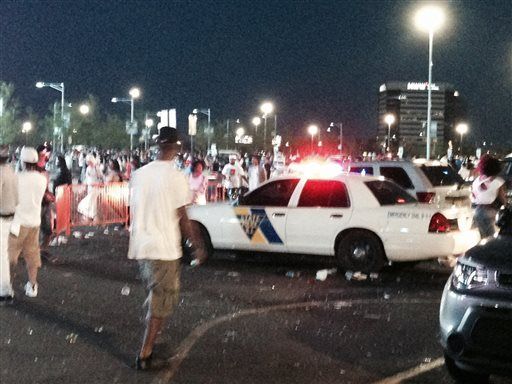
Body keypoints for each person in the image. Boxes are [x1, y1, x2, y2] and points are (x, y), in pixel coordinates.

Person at [127, 127, 207, 370]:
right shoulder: (176, 177)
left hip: (143, 245)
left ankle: (150, 338)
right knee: (163, 300)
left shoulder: (139, 174)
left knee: (157, 296)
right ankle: (146, 354)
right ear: (176, 146)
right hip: (163, 248)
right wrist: (198, 246)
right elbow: (183, 216)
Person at [8, 147, 47, 298]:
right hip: (34, 223)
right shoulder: (42, 179)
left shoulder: (17, 178)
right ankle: (32, 286)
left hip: (17, 223)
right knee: (32, 257)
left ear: (22, 161)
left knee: (10, 257)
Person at [471, 154, 508, 238]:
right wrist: (506, 206)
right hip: (489, 211)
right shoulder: (498, 181)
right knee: (491, 239)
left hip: (477, 212)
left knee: (482, 238)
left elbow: (473, 197)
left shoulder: (476, 181)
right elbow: (502, 198)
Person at [0, 145, 17, 303]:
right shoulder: (11, 171)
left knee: (2, 256)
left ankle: (5, 291)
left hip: (2, 217)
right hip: (10, 216)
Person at [36, 144, 55, 260]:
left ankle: (42, 250)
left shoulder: (44, 169)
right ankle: (35, 252)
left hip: (46, 203)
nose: (47, 155)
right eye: (45, 153)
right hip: (37, 203)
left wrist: (49, 194)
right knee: (36, 229)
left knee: (48, 229)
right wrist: (45, 194)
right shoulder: (32, 169)